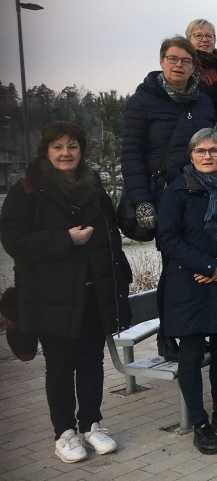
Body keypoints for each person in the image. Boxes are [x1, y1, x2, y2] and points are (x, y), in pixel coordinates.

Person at [0, 122, 130, 463]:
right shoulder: (27, 189)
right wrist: (64, 239)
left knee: (92, 362)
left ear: (81, 150)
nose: (66, 153)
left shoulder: (93, 186)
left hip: (91, 295)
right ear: (47, 151)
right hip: (51, 298)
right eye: (58, 147)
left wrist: (119, 281)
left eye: (72, 146)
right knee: (59, 366)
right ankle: (64, 432)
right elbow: (13, 241)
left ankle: (92, 424)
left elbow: (111, 238)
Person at [121, 35, 216, 361]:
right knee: (173, 266)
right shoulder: (142, 102)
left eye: (186, 61)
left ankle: (197, 329)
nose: (179, 65)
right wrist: (141, 200)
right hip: (163, 197)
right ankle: (168, 335)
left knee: (199, 263)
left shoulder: (203, 101)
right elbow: (130, 156)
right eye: (173, 59)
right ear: (162, 61)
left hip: (201, 196)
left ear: (194, 66)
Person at [157, 128, 217, 454]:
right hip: (189, 284)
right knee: (193, 354)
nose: (207, 156)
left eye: (214, 150)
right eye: (200, 151)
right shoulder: (177, 191)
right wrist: (209, 266)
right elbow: (167, 239)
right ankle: (199, 422)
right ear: (191, 155)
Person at [186, 19, 217, 87]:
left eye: (209, 36)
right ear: (189, 40)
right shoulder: (183, 66)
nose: (204, 40)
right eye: (198, 35)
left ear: (215, 40)